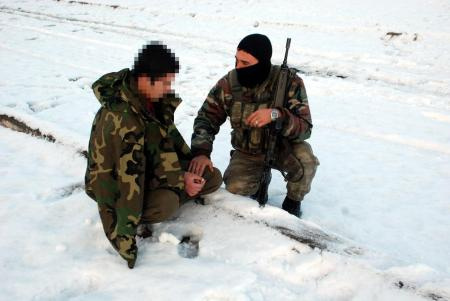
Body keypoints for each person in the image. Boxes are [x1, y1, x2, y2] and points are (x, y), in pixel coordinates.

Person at [84, 42, 222, 268]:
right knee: (167, 203)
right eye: (166, 82)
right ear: (146, 79)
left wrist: (195, 160)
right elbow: (127, 180)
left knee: (209, 175)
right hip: (117, 186)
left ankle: (178, 189)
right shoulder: (122, 119)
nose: (169, 89)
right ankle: (173, 194)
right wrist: (125, 241)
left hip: (150, 166)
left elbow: (167, 142)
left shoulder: (151, 100)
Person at [190, 34, 319, 218]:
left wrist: (276, 114)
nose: (238, 67)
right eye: (236, 60)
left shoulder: (289, 82)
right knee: (235, 190)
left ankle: (292, 203)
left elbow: (305, 128)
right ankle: (256, 184)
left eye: (245, 63)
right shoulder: (229, 84)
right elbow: (206, 118)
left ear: (263, 63)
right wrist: (201, 152)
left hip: (283, 148)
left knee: (306, 161)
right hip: (248, 151)